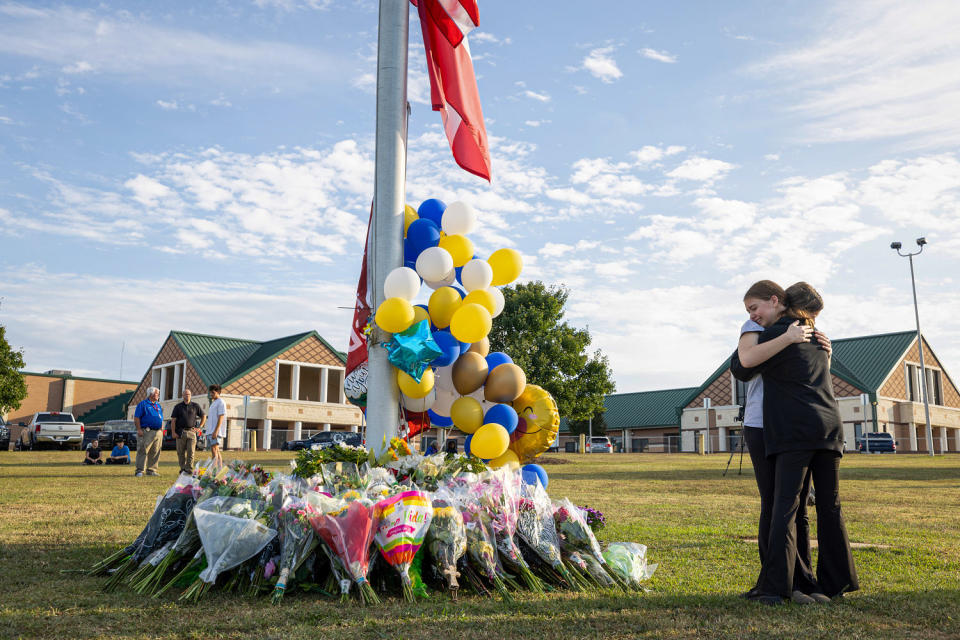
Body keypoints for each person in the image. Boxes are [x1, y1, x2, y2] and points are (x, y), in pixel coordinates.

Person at [747, 282, 859, 604]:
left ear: (780, 303)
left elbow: (742, 367)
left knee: (786, 507)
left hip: (795, 432)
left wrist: (766, 337)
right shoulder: (818, 340)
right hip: (830, 427)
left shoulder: (778, 335)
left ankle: (775, 590)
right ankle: (832, 585)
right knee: (830, 506)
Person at [730, 280, 825, 604]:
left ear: (776, 301)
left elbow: (813, 372)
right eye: (750, 310)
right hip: (761, 423)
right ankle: (774, 581)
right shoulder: (755, 326)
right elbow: (743, 364)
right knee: (774, 504)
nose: (752, 315)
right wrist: (786, 338)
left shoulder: (802, 330)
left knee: (795, 508)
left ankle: (800, 581)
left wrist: (825, 347)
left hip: (793, 426)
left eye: (754, 308)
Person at [170, 389, 205, 474]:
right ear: (183, 396)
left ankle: (189, 469)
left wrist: (199, 427)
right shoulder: (178, 407)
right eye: (185, 394)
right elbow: (173, 420)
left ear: (191, 395)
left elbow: (203, 416)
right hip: (180, 432)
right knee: (180, 452)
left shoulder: (195, 406)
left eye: (189, 394)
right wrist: (173, 432)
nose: (187, 396)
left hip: (192, 432)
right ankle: (182, 468)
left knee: (191, 452)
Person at [134, 386, 164, 477]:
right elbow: (136, 417)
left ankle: (151, 470)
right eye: (156, 393)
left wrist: (161, 426)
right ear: (151, 394)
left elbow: (160, 417)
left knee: (155, 451)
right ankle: (140, 470)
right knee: (143, 450)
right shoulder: (143, 404)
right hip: (146, 431)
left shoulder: (158, 405)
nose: (158, 395)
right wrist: (139, 429)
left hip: (158, 432)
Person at [206, 384, 226, 466]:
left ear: (218, 392)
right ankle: (219, 469)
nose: (211, 394)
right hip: (211, 431)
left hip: (215, 431)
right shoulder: (213, 403)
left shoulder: (221, 402)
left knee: (214, 450)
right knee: (216, 450)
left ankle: (214, 470)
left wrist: (216, 431)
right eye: (210, 392)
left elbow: (221, 417)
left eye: (213, 392)